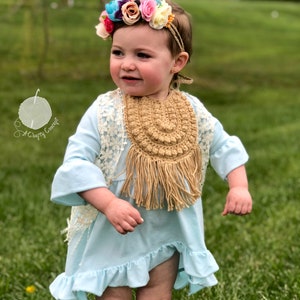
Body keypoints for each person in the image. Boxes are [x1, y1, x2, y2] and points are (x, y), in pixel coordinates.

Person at [49, 0, 253, 299]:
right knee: (113, 292)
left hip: (166, 226)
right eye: (118, 52)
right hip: (115, 227)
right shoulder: (105, 110)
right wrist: (108, 204)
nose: (127, 63)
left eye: (142, 55)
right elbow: (77, 161)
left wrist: (239, 186)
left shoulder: (191, 109)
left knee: (158, 288)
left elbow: (224, 146)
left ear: (177, 62)